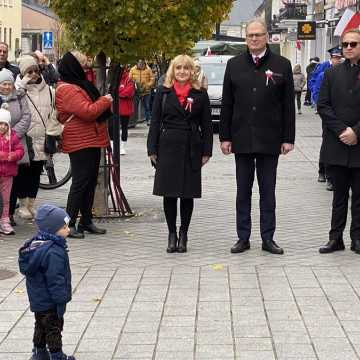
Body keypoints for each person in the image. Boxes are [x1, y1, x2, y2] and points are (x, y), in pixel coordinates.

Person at [220, 18, 295, 255]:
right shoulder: (234, 65)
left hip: (270, 139)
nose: (254, 38)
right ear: (246, 38)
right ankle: (243, 237)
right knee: (243, 191)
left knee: (267, 191)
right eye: (250, 35)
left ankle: (268, 237)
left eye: (258, 35)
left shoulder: (282, 64)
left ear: (266, 36)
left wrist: (288, 138)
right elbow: (227, 104)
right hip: (241, 138)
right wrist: (225, 137)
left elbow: (287, 106)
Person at [147, 54, 213, 253]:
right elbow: (155, 121)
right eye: (178, 68)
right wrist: (152, 149)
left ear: (192, 71)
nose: (182, 71)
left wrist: (206, 151)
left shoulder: (200, 93)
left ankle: (184, 233)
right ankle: (171, 233)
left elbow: (207, 126)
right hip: (167, 147)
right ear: (172, 71)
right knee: (169, 193)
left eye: (186, 68)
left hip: (192, 147)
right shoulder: (163, 92)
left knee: (187, 194)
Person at [56, 51, 113, 239]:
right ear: (72, 66)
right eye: (82, 64)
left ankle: (86, 220)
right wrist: (105, 100)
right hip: (79, 141)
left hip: (91, 138)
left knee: (89, 181)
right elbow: (88, 112)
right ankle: (68, 223)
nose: (85, 67)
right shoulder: (67, 89)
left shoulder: (78, 84)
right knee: (80, 183)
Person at [317, 29, 360, 254]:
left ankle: (357, 238)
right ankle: (336, 238)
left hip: (359, 144)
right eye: (345, 44)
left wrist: (356, 132)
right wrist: (343, 130)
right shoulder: (332, 74)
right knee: (339, 197)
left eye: (353, 44)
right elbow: (322, 105)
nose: (349, 48)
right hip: (337, 143)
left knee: (359, 198)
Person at [18, 204, 75, 360]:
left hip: (38, 299)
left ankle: (39, 352)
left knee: (41, 325)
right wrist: (61, 299)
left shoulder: (37, 245)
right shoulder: (53, 252)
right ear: (51, 230)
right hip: (51, 300)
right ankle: (57, 356)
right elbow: (55, 279)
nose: (68, 230)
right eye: (64, 227)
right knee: (54, 328)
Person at [12, 55, 54, 220]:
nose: (34, 74)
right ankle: (22, 205)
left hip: (42, 137)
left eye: (36, 70)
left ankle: (31, 204)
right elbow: (14, 95)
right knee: (23, 173)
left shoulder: (48, 89)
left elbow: (52, 111)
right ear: (22, 73)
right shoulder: (18, 88)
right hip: (25, 138)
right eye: (29, 71)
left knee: (36, 173)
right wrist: (23, 81)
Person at [0, 68, 31, 227]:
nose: (7, 86)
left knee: (13, 182)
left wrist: (13, 135)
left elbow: (27, 116)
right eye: (4, 83)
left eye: (9, 84)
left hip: (16, 142)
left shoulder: (20, 97)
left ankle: (9, 215)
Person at [309, 46, 343, 190]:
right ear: (331, 58)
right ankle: (324, 172)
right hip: (329, 114)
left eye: (339, 57)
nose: (338, 60)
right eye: (336, 57)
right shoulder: (324, 71)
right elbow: (315, 87)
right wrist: (320, 107)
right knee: (328, 142)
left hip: (343, 114)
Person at [0, 104, 24, 235]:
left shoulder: (13, 137)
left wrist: (13, 156)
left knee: (6, 199)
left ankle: (4, 221)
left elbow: (20, 150)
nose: (3, 127)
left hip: (8, 174)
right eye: (0, 123)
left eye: (5, 124)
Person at [129, 59, 155, 126]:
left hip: (146, 91)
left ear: (144, 63)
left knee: (147, 106)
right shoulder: (132, 69)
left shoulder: (148, 69)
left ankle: (148, 120)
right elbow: (129, 79)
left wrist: (148, 85)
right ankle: (133, 122)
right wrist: (134, 86)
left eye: (142, 64)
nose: (141, 65)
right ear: (137, 63)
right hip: (136, 91)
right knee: (134, 107)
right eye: (139, 63)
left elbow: (152, 79)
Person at [118, 66, 135, 155]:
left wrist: (119, 93)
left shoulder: (129, 80)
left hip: (125, 109)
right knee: (113, 128)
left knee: (124, 127)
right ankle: (114, 145)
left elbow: (128, 92)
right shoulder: (115, 79)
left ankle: (123, 147)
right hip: (115, 108)